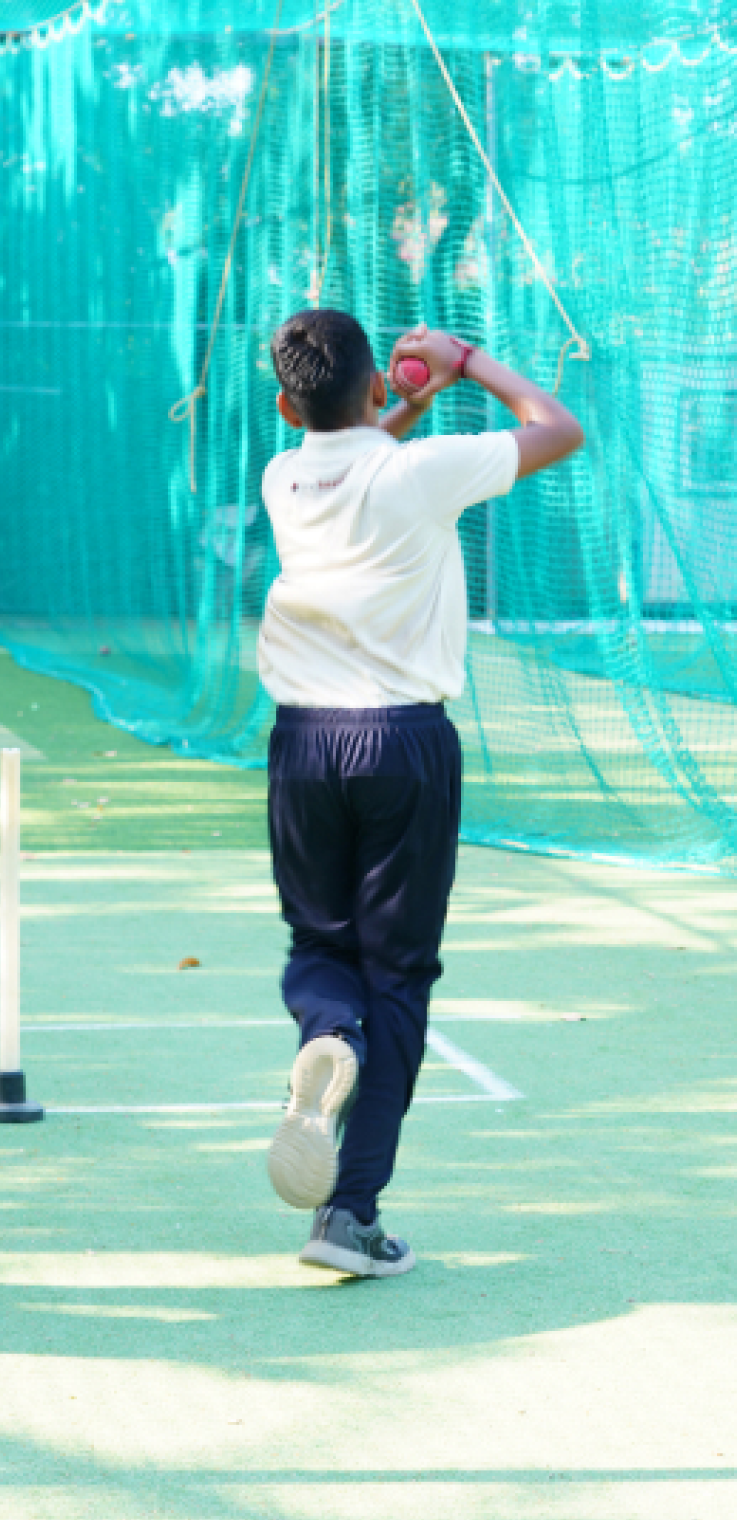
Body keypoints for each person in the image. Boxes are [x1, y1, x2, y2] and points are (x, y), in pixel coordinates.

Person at [260, 312, 583, 1277]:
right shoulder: (421, 471)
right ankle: (348, 1214)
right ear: (370, 389)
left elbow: (348, 457)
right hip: (402, 741)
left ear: (286, 406)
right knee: (396, 975)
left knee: (321, 950)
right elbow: (558, 427)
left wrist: (403, 405)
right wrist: (466, 364)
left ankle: (328, 1034)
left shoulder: (285, 477)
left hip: (303, 742)